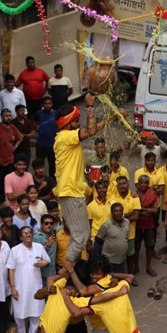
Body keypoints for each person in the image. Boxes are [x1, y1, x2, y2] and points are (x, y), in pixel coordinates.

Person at [54, 95, 104, 268]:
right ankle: (66, 270)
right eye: (76, 121)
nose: (79, 124)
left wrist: (111, 119)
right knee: (81, 237)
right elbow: (90, 132)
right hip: (70, 192)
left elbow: (92, 129)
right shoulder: (65, 136)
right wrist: (89, 107)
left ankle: (68, 269)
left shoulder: (65, 137)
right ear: (68, 123)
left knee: (83, 236)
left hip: (73, 191)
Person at [7, 227, 50, 333]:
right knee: (19, 312)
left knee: (36, 312)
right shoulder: (15, 250)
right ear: (21, 237)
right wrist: (12, 287)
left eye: (30, 233)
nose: (28, 235)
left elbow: (47, 260)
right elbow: (11, 269)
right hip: (20, 286)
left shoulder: (39, 247)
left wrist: (43, 263)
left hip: (35, 286)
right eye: (25, 234)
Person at [35, 98, 58, 176]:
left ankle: (52, 182)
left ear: (52, 104)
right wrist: (36, 128)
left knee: (52, 164)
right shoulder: (39, 113)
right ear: (43, 105)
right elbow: (33, 121)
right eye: (45, 104)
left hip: (52, 144)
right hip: (41, 144)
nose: (47, 105)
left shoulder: (56, 113)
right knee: (39, 164)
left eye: (49, 103)